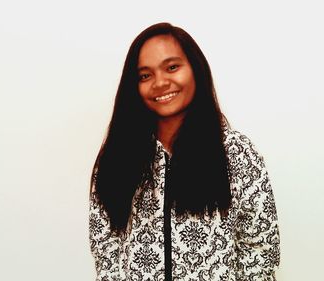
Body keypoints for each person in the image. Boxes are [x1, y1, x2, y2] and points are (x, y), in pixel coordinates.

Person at [89, 22, 280, 281]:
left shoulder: (237, 153)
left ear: (196, 69)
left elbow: (259, 247)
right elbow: (105, 243)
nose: (160, 82)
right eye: (145, 75)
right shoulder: (117, 156)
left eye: (172, 67)